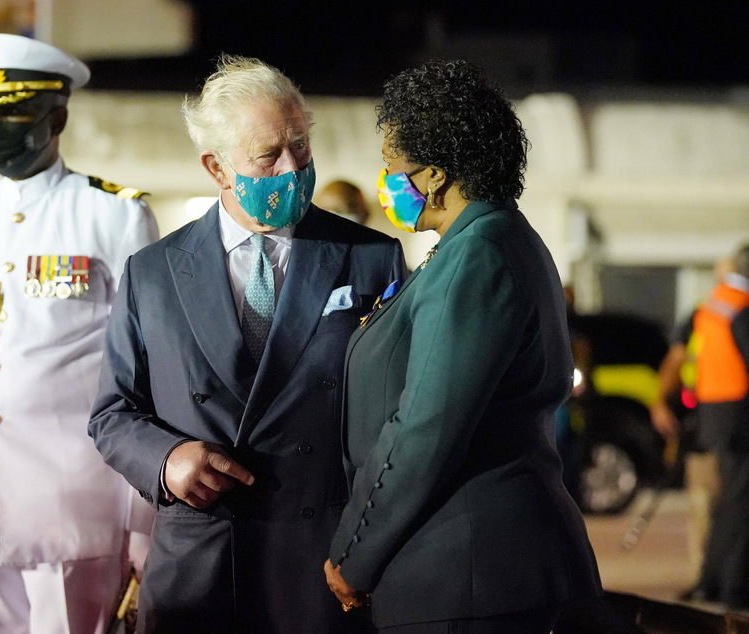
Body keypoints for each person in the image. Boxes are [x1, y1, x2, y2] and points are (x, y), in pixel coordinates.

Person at [88, 54, 406, 633]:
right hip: (200, 566)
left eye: (301, 146)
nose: (293, 168)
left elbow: (399, 413)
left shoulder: (371, 257)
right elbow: (113, 413)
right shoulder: (152, 273)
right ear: (216, 167)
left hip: (322, 565)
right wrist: (166, 461)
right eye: (268, 155)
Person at [323, 59, 602, 633]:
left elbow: (425, 426)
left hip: (466, 575)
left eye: (391, 167)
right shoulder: (493, 241)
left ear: (433, 175)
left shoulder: (477, 257)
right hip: (478, 571)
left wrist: (355, 552)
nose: (385, 182)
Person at [0, 33, 159, 634]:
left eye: (14, 114)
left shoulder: (112, 214)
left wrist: (141, 521)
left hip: (74, 505)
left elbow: (147, 373)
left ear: (57, 116)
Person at [649, 256, 734, 590]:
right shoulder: (701, 317)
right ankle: (706, 581)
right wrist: (659, 403)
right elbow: (675, 360)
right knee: (704, 504)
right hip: (703, 426)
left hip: (732, 423)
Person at [683, 244, 749, 608]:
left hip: (715, 413)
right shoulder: (742, 306)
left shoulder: (715, 301)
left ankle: (711, 579)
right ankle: (734, 589)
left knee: (728, 502)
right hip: (740, 416)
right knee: (741, 504)